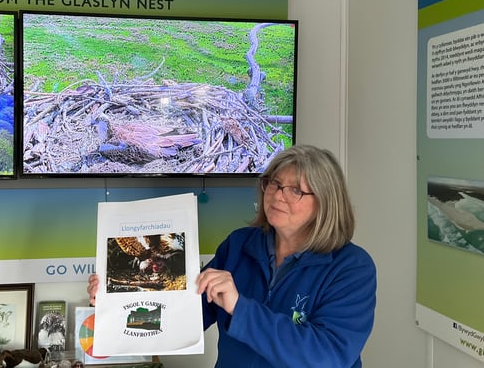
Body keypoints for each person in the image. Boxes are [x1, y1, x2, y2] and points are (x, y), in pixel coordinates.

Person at [87, 144, 376, 368]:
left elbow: (328, 357)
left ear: (325, 202)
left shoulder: (351, 268)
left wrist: (240, 307)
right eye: (274, 184)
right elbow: (185, 317)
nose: (277, 195)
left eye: (295, 190)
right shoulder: (239, 245)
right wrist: (121, 301)